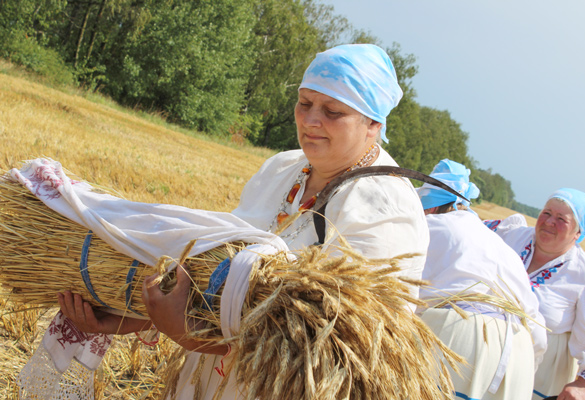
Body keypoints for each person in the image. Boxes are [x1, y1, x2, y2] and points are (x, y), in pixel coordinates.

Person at [57, 44, 430, 399]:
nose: (311, 120)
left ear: (372, 124)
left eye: (332, 111)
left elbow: (346, 348)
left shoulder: (384, 206)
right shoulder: (283, 169)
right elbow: (213, 276)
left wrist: (193, 335)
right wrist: (135, 316)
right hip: (213, 380)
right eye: (304, 103)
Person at [417, 159, 547, 400]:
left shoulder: (430, 226)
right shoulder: (502, 246)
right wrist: (527, 367)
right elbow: (537, 329)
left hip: (460, 336)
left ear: (432, 207)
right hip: (519, 351)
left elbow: (404, 293)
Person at [486, 188, 585, 400]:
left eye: (561, 219)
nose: (549, 222)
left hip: (537, 377)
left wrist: (583, 384)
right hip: (482, 355)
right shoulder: (509, 236)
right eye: (546, 213)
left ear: (578, 233)